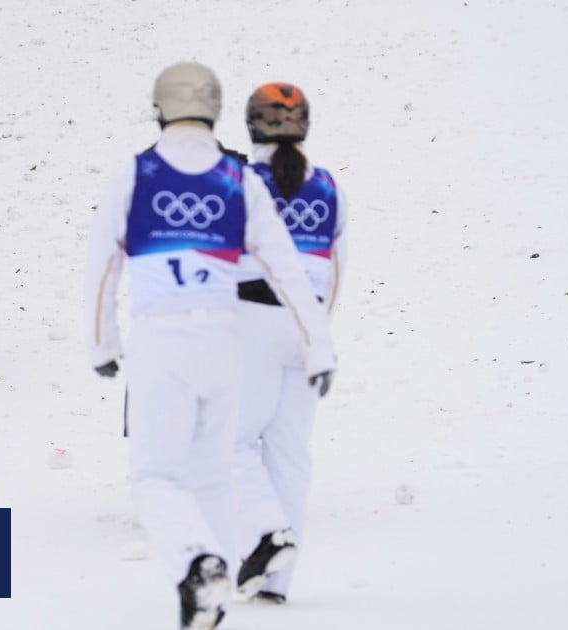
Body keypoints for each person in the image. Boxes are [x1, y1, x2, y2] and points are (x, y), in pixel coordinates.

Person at [85, 62, 336, 630]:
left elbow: (103, 267)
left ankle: (198, 565)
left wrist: (103, 343)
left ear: (159, 108)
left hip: (162, 335)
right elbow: (289, 271)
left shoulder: (136, 174)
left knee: (156, 476)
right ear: (217, 110)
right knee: (216, 471)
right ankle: (223, 583)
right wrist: (320, 347)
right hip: (225, 336)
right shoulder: (238, 179)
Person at [232, 82, 348, 604]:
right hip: (308, 329)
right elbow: (336, 269)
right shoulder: (328, 185)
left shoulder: (238, 182)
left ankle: (264, 538)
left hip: (249, 318)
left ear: (252, 124)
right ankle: (278, 584)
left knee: (227, 443)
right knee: (289, 455)